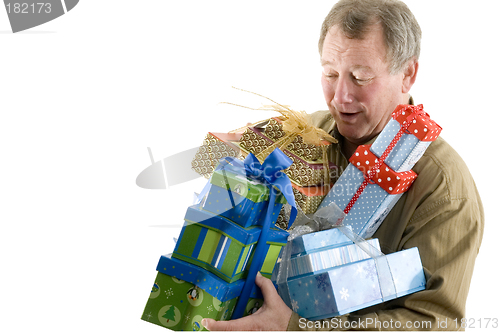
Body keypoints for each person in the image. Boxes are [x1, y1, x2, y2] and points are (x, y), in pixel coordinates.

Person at [202, 0, 484, 330]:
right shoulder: (296, 135)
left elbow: (435, 324)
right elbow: (209, 175)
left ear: (408, 74)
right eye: (330, 74)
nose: (340, 97)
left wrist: (296, 327)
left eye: (361, 77)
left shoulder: (444, 188)